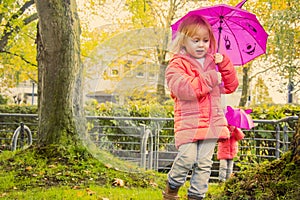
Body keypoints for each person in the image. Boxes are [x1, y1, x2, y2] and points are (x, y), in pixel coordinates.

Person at [163, 14, 239, 200]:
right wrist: (210, 78)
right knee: (186, 158)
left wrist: (225, 65)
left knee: (205, 164)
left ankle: (196, 196)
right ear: (183, 41)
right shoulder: (176, 64)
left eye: (205, 40)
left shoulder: (215, 62)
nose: (201, 45)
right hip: (189, 122)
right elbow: (184, 89)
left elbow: (231, 86)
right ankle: (172, 188)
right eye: (195, 40)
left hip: (211, 122)